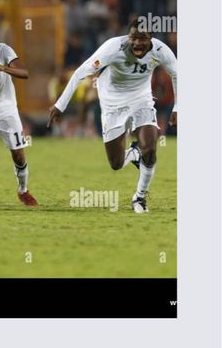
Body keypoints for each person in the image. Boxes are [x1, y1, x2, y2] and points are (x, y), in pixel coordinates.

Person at [48, 19, 177, 213]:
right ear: (128, 37)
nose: (137, 43)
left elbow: (177, 74)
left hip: (141, 99)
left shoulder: (161, 51)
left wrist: (178, 107)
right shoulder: (112, 48)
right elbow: (80, 72)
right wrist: (60, 104)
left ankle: (140, 198)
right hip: (112, 104)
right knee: (116, 164)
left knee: (150, 149)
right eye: (133, 38)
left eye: (143, 39)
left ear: (151, 38)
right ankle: (134, 153)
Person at [0, 21, 38, 206]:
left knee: (18, 155)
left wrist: (2, 67)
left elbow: (24, 73)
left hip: (8, 114)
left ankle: (23, 190)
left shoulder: (4, 51)